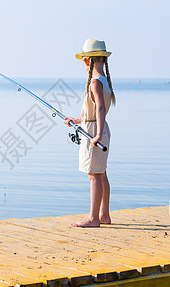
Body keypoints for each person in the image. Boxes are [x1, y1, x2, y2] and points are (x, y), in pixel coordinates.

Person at [64, 39, 115, 227]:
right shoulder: (104, 81)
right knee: (101, 173)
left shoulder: (95, 82)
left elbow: (100, 109)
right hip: (96, 127)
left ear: (88, 61)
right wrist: (77, 120)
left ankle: (93, 218)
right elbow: (95, 110)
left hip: (95, 130)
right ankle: (104, 215)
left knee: (93, 175)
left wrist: (98, 134)